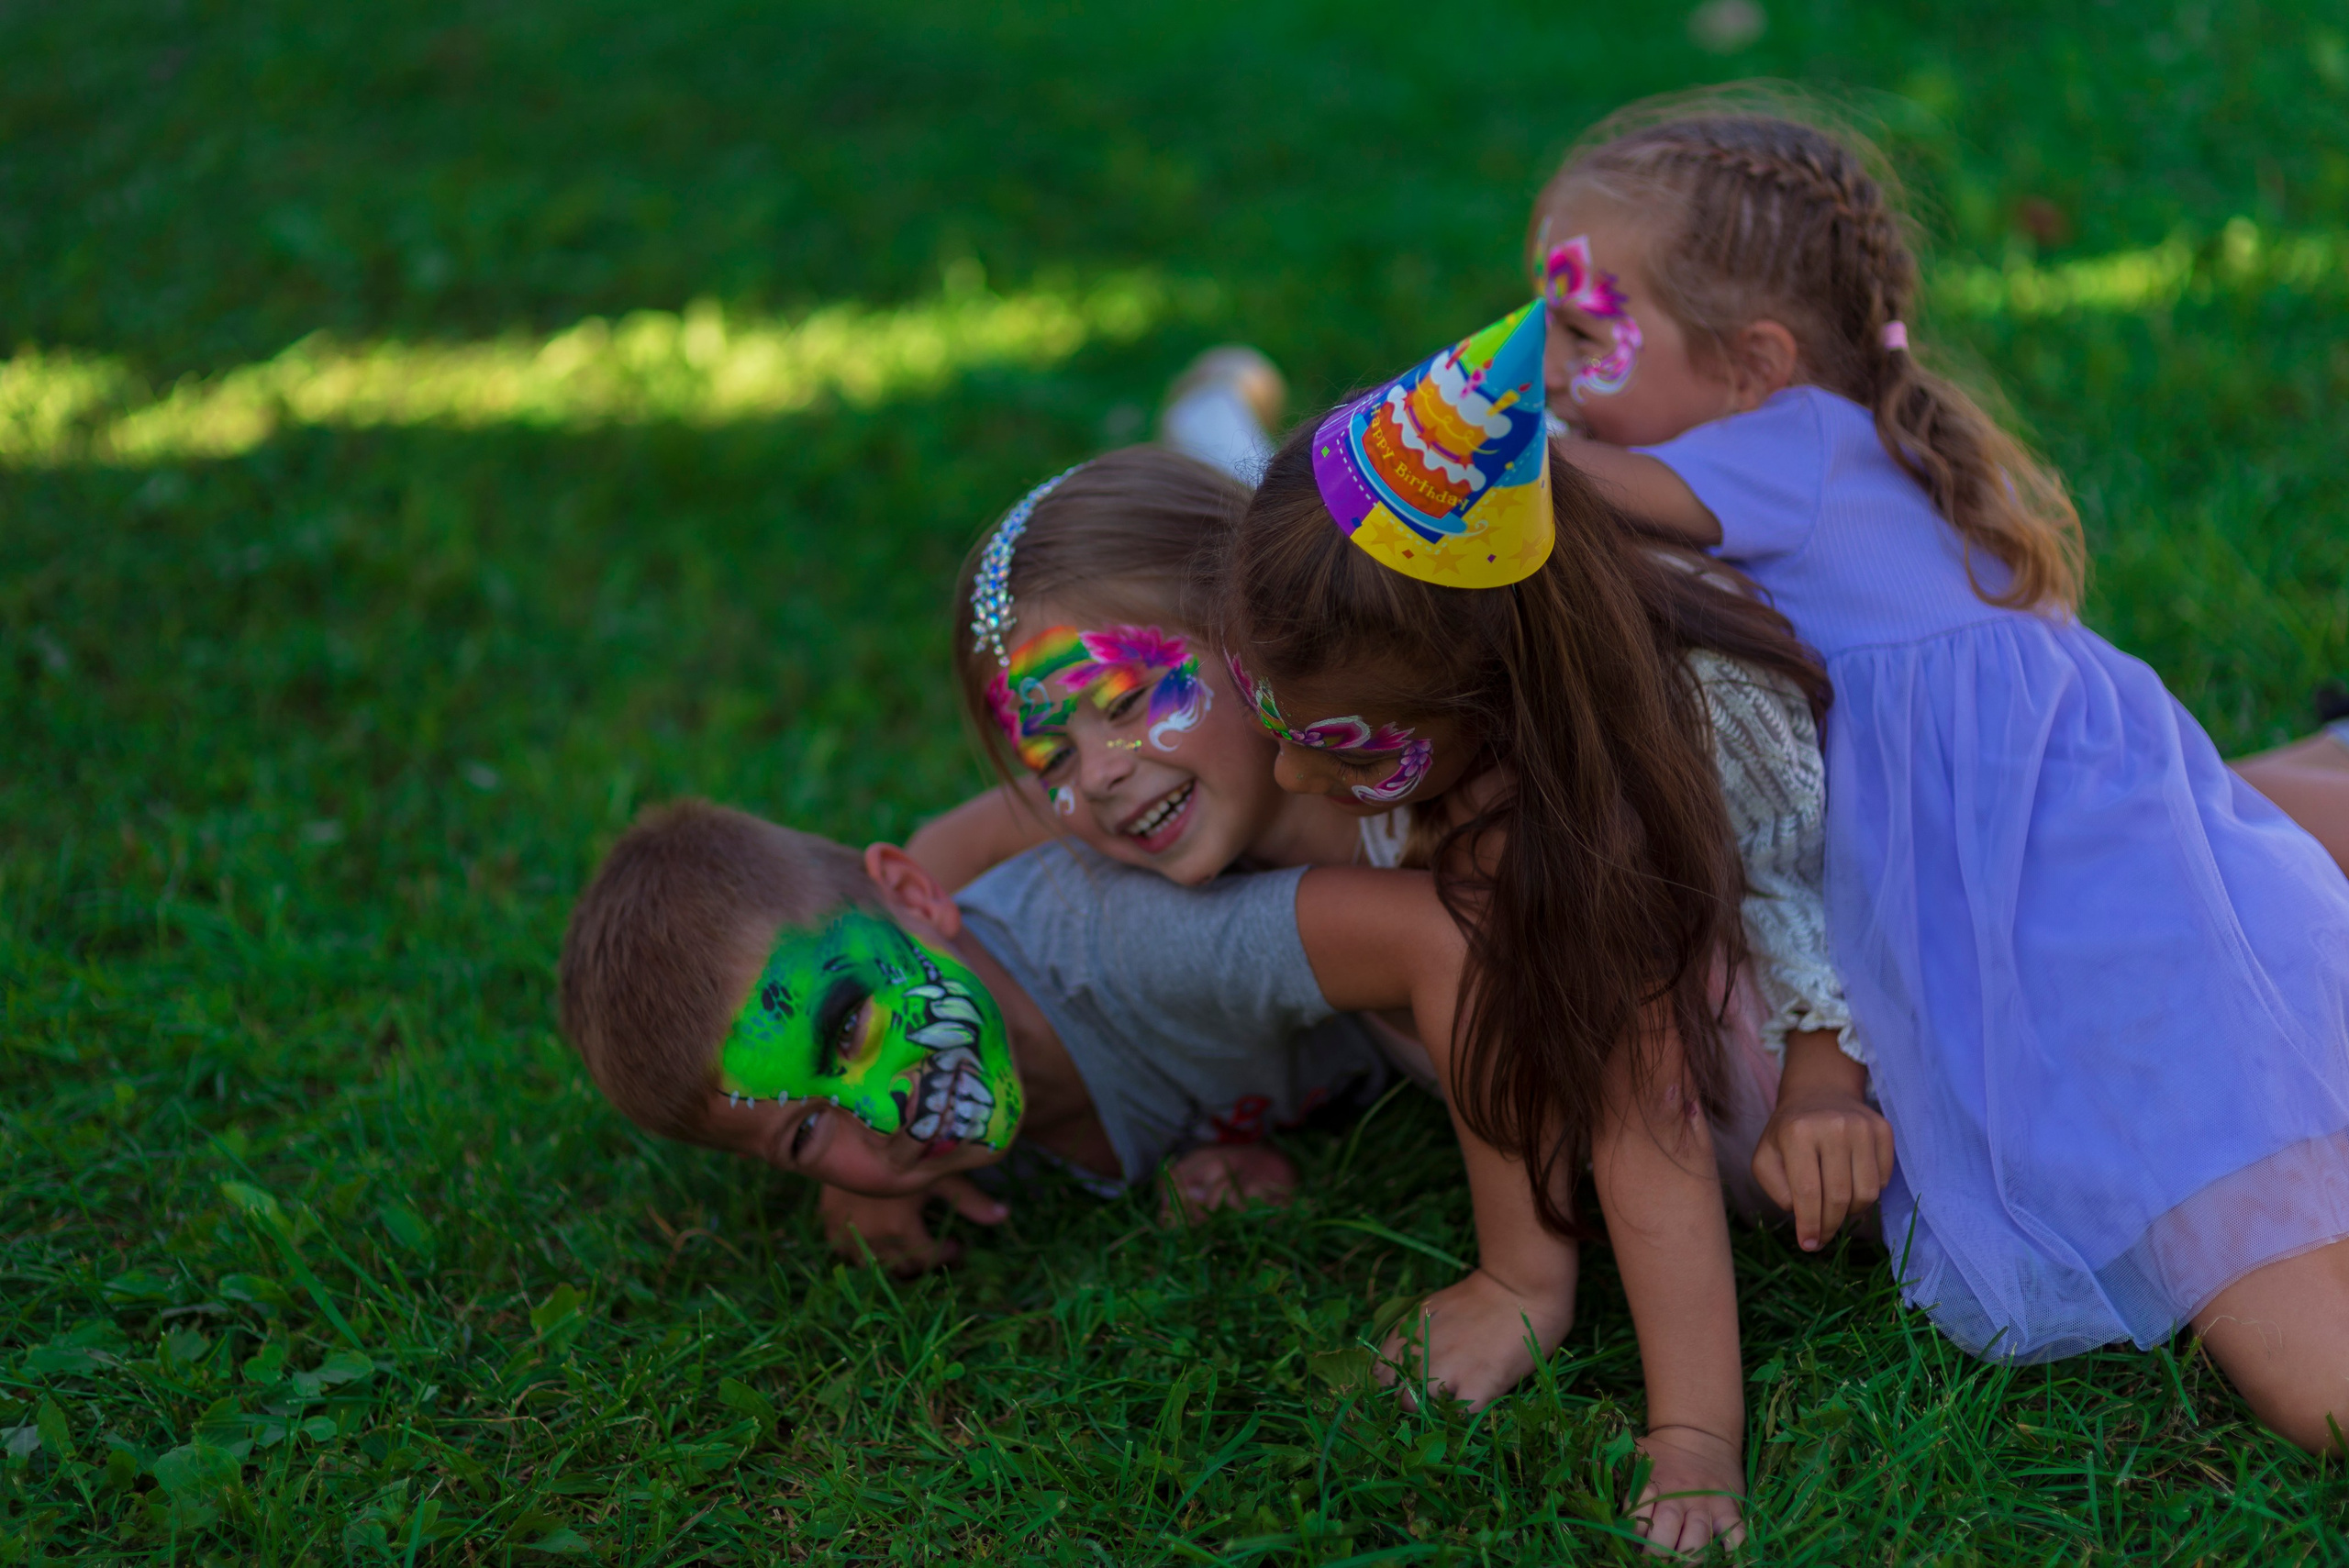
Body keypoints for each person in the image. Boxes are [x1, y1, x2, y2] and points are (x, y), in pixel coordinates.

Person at [1525, 99, 2349, 1451]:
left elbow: (1549, 487)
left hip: (2103, 948)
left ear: (1756, 362)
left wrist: (1426, 429)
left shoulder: (1783, 445)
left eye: (1575, 326)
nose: (1548, 367)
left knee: (2296, 1344)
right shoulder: (1830, 439)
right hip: (2093, 904)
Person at [1219, 296, 1865, 1555]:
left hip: (1802, 936)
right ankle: (1213, 409)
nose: (1291, 776)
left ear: (1495, 701)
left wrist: (1693, 1444)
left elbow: (1650, 1124)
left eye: (1347, 748)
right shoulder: (1373, 618)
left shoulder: (1659, 750)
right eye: (1269, 720)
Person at [557, 798, 1471, 1273]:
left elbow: (1441, 930)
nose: (876, 1115)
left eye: (848, 1027)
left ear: (916, 898)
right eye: (805, 1131)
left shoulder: (1129, 942)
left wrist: (1519, 1270)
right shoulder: (945, 1130)